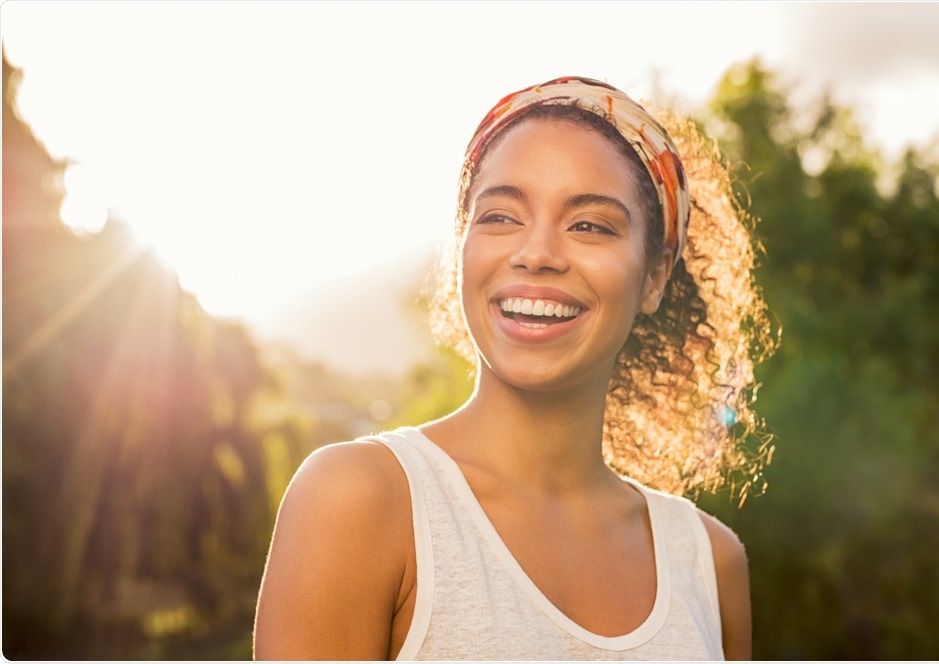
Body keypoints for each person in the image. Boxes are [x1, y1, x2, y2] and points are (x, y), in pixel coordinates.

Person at [253, 76, 775, 660]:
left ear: (654, 276)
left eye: (590, 225)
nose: (536, 254)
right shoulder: (359, 501)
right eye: (500, 216)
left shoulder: (709, 562)